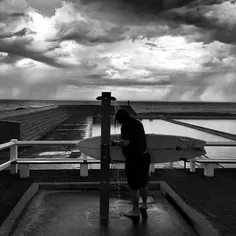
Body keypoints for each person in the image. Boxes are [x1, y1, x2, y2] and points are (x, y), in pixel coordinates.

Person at [111, 108, 151, 219]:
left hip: (134, 159)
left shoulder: (126, 126)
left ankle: (135, 210)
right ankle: (144, 204)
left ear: (120, 119)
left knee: (134, 186)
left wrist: (116, 143)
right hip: (145, 156)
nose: (118, 123)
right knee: (143, 183)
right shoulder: (138, 123)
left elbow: (126, 143)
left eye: (118, 120)